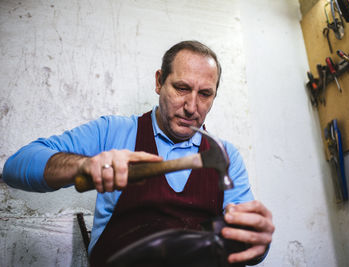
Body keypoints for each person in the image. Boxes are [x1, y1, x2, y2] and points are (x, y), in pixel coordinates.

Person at [3, 40, 274, 266]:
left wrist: (258, 241)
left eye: (205, 94)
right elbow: (15, 167)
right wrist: (84, 165)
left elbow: (248, 248)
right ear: (159, 82)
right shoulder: (113, 132)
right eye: (182, 88)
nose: (192, 107)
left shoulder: (227, 156)